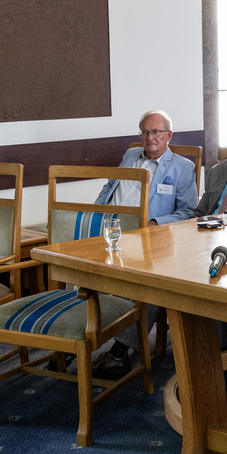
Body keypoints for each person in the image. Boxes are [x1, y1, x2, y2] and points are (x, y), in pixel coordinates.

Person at [92, 109, 199, 376]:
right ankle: (74, 340)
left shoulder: (182, 167)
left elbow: (188, 212)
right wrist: (95, 212)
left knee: (151, 283)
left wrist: (153, 224)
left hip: (149, 238)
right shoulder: (130, 155)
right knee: (77, 269)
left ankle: (119, 351)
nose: (150, 137)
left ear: (168, 135)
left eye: (156, 132)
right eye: (145, 132)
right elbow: (109, 187)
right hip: (108, 230)